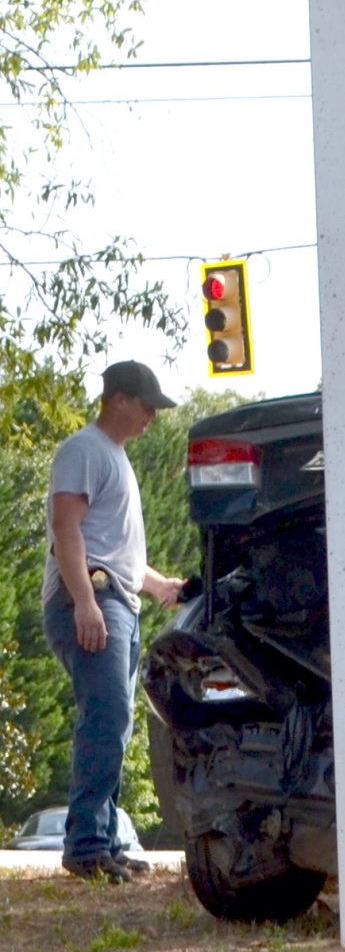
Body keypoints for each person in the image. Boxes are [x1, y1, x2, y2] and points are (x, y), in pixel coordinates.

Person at [41, 360, 186, 884]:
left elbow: (115, 548)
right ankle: (85, 848)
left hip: (116, 597)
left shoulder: (116, 458)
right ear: (119, 399)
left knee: (116, 724)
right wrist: (84, 602)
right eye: (146, 405)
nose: (151, 416)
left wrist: (159, 585)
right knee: (105, 721)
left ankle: (105, 840)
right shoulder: (84, 449)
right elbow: (66, 530)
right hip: (93, 598)